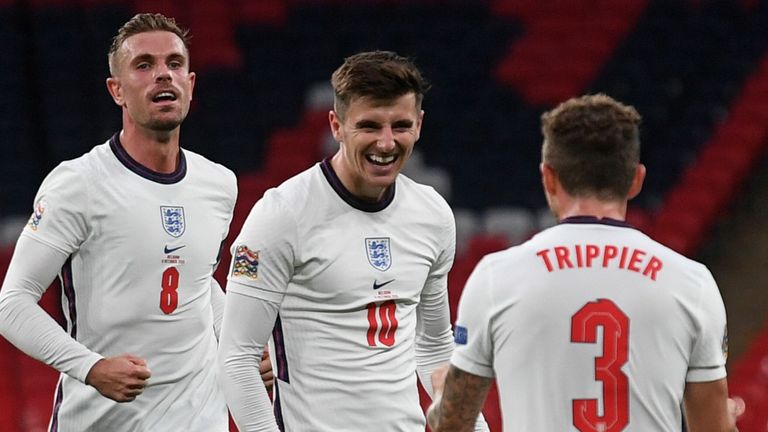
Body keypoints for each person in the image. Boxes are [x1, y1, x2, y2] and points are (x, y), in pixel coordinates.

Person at [426, 94, 737, 432]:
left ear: (548, 178)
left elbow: (452, 425)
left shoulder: (496, 277)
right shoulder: (692, 283)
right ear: (636, 179)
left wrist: (443, 397)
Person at [217, 50, 487, 431]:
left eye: (401, 125)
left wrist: (473, 425)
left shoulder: (433, 215)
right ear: (336, 125)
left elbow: (434, 346)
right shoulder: (282, 214)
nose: (387, 143)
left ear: (420, 124)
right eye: (370, 126)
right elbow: (237, 358)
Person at [0, 13, 237, 431]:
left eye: (174, 64)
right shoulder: (78, 184)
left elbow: (198, 283)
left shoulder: (219, 184)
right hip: (101, 421)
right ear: (117, 90)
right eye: (144, 65)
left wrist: (238, 345)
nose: (163, 74)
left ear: (191, 83)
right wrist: (90, 368)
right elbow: (12, 303)